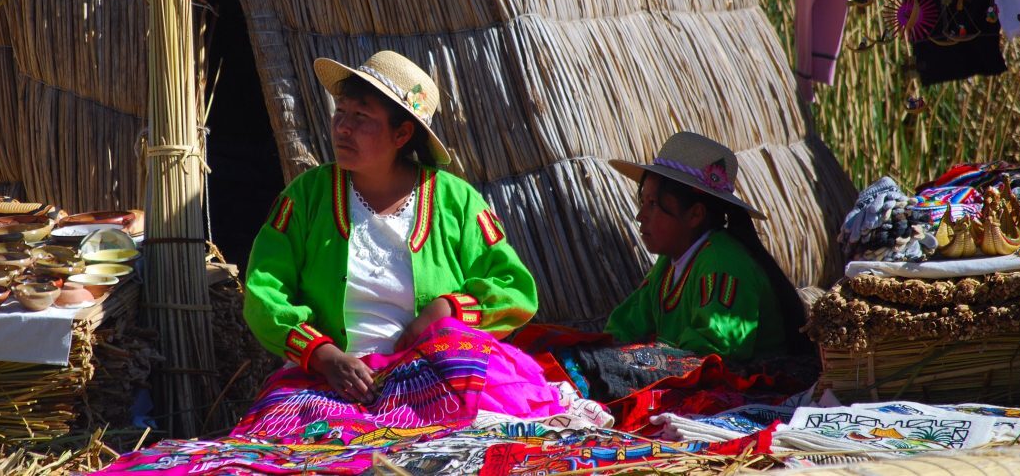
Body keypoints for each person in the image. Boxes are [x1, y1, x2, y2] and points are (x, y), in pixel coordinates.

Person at [240, 50, 585, 442]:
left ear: (402, 134)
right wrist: (324, 355)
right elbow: (264, 291)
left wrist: (446, 310)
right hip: (333, 381)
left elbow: (514, 288)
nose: (342, 128)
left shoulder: (456, 201)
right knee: (289, 442)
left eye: (361, 117)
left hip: (433, 372)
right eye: (341, 111)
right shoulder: (306, 197)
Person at [603, 131, 811, 361]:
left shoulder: (723, 262)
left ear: (695, 214)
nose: (640, 215)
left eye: (653, 204)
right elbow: (626, 325)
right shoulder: (668, 265)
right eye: (643, 202)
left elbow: (716, 347)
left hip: (754, 389)